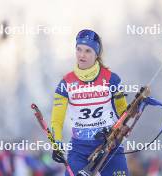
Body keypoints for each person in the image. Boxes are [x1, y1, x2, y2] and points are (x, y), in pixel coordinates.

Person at [51, 29, 129, 176]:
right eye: (79, 49)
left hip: (109, 145)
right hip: (79, 149)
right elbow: (57, 120)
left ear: (96, 54)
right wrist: (57, 143)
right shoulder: (65, 83)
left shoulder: (112, 79)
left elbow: (124, 112)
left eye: (88, 51)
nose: (82, 55)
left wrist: (126, 124)